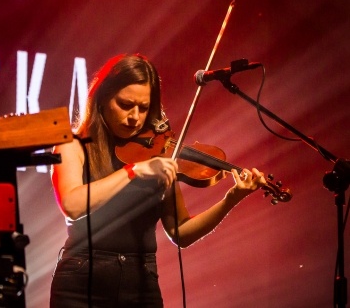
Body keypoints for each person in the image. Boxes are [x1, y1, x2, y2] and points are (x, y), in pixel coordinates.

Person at [49, 53, 267, 308]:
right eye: (125, 104)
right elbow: (72, 205)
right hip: (81, 278)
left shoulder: (157, 152)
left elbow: (180, 232)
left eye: (143, 108)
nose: (135, 117)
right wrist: (133, 171)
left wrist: (231, 200)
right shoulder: (73, 146)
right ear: (102, 98)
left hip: (141, 282)